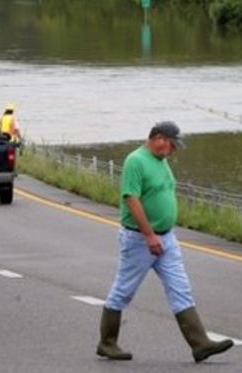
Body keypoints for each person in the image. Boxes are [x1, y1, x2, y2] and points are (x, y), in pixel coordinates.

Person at [96, 121, 233, 363]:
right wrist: (149, 235)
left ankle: (200, 344)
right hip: (139, 239)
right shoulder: (135, 161)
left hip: (167, 238)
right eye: (171, 145)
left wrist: (162, 230)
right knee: (123, 290)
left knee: (180, 288)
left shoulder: (162, 161)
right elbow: (131, 198)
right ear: (158, 138)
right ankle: (107, 343)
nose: (173, 151)